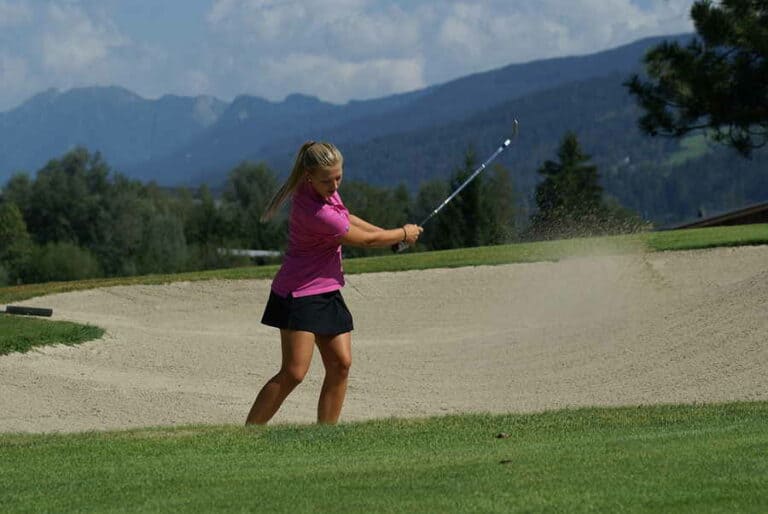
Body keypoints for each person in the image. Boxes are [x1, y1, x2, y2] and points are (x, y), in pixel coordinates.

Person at [245, 141, 422, 425]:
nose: (335, 185)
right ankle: (247, 435)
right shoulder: (316, 213)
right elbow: (365, 240)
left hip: (326, 290)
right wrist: (402, 233)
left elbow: (348, 218)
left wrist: (391, 235)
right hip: (298, 294)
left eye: (338, 177)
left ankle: (325, 435)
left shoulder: (323, 192)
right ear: (309, 177)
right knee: (294, 372)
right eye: (328, 180)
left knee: (340, 364)